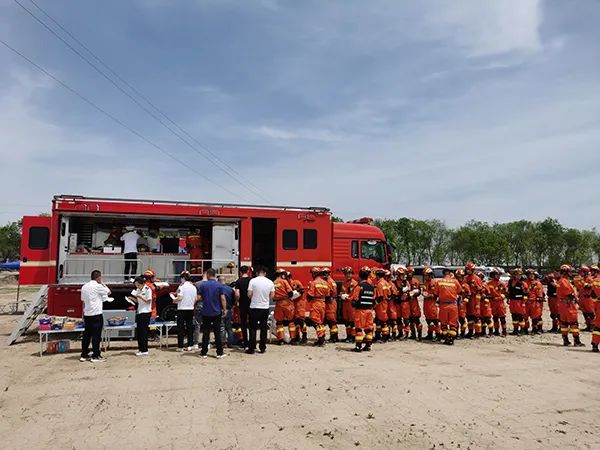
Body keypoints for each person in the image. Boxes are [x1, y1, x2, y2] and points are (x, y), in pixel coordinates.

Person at [80, 270, 113, 362]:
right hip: (96, 314)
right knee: (96, 335)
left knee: (86, 335)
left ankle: (84, 354)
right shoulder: (98, 286)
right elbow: (109, 292)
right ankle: (95, 355)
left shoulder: (84, 287)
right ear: (98, 277)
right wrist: (102, 283)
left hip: (87, 314)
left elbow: (83, 300)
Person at [197, 268, 227, 358]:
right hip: (216, 312)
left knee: (206, 333)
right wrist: (224, 309)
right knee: (217, 333)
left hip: (206, 311)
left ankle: (204, 352)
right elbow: (222, 298)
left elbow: (198, 297)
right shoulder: (219, 285)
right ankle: (219, 353)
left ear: (208, 275)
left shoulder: (203, 285)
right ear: (215, 275)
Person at [246, 266, 275, 354]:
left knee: (252, 328)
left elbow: (249, 294)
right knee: (263, 328)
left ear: (257, 273)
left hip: (254, 307)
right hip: (264, 308)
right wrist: (265, 299)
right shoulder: (270, 282)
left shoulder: (252, 281)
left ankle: (251, 348)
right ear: (265, 273)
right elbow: (272, 295)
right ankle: (262, 347)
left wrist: (254, 298)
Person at [557, 264, 584, 347]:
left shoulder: (563, 280)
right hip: (568, 305)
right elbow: (569, 294)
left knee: (564, 323)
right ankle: (576, 341)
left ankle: (565, 340)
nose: (571, 273)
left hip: (563, 304)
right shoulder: (564, 281)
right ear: (565, 272)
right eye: (569, 271)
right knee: (574, 323)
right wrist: (576, 296)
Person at [433, 268, 462, 345]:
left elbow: (435, 294)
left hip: (443, 305)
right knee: (453, 323)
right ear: (450, 274)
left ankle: (446, 338)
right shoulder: (455, 282)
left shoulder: (439, 282)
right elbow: (460, 292)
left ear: (443, 274)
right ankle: (451, 339)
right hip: (453, 305)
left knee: (444, 323)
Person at [352, 267, 376, 352]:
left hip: (360, 310)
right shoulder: (371, 287)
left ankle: (358, 346)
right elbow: (374, 299)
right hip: (369, 310)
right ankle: (368, 345)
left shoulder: (359, 286)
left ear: (360, 276)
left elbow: (355, 299)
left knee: (358, 328)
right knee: (368, 328)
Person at [172, 271, 197, 352]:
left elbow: (179, 298)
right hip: (190, 309)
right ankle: (190, 345)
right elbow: (195, 298)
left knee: (181, 328)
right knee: (190, 327)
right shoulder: (193, 287)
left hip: (182, 309)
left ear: (183, 278)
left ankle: (180, 346)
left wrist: (174, 300)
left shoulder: (181, 287)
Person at [129, 276, 153, 356]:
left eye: (137, 284)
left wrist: (140, 296)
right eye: (135, 285)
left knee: (144, 332)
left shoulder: (147, 289)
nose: (136, 286)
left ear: (141, 283)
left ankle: (145, 350)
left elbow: (148, 301)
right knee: (139, 332)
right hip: (140, 311)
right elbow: (138, 301)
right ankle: (140, 349)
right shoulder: (138, 290)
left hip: (145, 312)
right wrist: (132, 299)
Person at [306, 267, 330, 346]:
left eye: (312, 273)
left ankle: (321, 339)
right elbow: (327, 296)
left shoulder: (314, 283)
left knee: (315, 321)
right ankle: (322, 337)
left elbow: (310, 295)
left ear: (314, 273)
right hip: (323, 304)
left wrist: (308, 299)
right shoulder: (325, 283)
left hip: (316, 303)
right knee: (320, 322)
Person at [272, 268, 296, 345]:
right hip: (286, 303)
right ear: (281, 275)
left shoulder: (274, 282)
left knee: (279, 322)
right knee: (291, 321)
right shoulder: (284, 281)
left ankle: (281, 339)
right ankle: (293, 339)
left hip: (278, 304)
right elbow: (290, 293)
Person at [234, 266, 252, 347]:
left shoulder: (238, 281)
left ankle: (245, 342)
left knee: (243, 324)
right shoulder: (252, 280)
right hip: (251, 304)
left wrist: (237, 301)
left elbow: (237, 294)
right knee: (252, 324)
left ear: (240, 272)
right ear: (248, 271)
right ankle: (252, 342)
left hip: (242, 304)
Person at [464, 262, 483, 338]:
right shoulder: (465, 278)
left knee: (476, 317)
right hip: (468, 298)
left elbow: (480, 290)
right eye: (467, 269)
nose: (468, 271)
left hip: (474, 298)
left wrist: (474, 287)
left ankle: (478, 332)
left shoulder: (476, 278)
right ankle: (470, 331)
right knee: (469, 316)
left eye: (469, 269)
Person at [340, 267, 359, 342]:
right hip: (345, 304)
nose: (348, 275)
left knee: (352, 321)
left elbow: (354, 295)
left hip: (351, 304)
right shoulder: (344, 282)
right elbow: (342, 291)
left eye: (349, 273)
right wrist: (341, 295)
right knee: (346, 321)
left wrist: (347, 297)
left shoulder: (354, 283)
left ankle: (353, 336)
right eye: (347, 274)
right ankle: (348, 336)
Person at [487, 269, 508, 336]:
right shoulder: (488, 283)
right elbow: (486, 292)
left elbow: (506, 293)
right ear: (493, 275)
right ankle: (496, 331)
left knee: (502, 318)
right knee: (495, 317)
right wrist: (490, 297)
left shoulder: (502, 284)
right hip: (492, 303)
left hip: (500, 303)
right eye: (497, 275)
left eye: (499, 275)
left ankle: (504, 331)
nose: (498, 276)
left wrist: (501, 297)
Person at [288, 271, 307, 344]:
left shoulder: (296, 282)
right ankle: (297, 337)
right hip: (293, 304)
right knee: (295, 321)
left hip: (300, 304)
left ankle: (304, 337)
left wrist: (295, 295)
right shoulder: (287, 284)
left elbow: (302, 291)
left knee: (301, 320)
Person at [507, 268, 528, 335]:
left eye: (519, 275)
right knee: (514, 316)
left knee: (520, 316)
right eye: (516, 275)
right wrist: (508, 298)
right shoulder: (510, 282)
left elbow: (527, 293)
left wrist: (524, 302)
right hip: (512, 301)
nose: (518, 276)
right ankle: (515, 330)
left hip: (520, 301)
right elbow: (509, 291)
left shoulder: (523, 283)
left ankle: (522, 330)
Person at [575, 266, 595, 332]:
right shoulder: (581, 279)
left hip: (588, 298)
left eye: (582, 272)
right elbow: (577, 287)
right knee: (585, 313)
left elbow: (588, 287)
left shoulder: (589, 279)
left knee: (591, 313)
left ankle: (592, 326)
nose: (580, 273)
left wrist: (581, 282)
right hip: (582, 298)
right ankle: (588, 325)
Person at [321, 267, 339, 343]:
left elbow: (330, 293)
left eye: (324, 274)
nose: (323, 275)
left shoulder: (329, 282)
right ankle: (334, 336)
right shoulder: (331, 281)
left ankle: (334, 337)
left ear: (327, 274)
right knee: (330, 320)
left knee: (332, 320)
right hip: (331, 302)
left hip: (330, 303)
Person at [422, 267, 440, 341]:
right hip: (426, 303)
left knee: (435, 320)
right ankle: (430, 334)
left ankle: (438, 334)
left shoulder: (434, 282)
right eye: (424, 275)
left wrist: (428, 295)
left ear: (430, 275)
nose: (425, 277)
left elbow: (436, 295)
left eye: (426, 275)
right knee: (428, 319)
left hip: (432, 304)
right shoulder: (425, 283)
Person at [524, 269, 544, 334]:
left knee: (535, 317)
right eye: (530, 275)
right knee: (525, 316)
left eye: (533, 275)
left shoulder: (537, 283)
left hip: (534, 302)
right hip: (526, 302)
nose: (531, 276)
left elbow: (540, 294)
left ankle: (535, 329)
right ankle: (525, 329)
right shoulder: (524, 283)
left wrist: (539, 300)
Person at [406, 267, 423, 340]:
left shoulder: (415, 281)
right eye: (409, 272)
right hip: (407, 302)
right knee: (410, 320)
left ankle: (419, 335)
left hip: (414, 302)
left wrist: (413, 293)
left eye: (411, 272)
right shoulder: (405, 281)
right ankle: (413, 334)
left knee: (416, 319)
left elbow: (419, 291)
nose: (410, 274)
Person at [374, 268, 390, 342]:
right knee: (379, 320)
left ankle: (385, 336)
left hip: (381, 304)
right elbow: (389, 294)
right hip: (385, 302)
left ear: (378, 276)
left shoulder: (379, 284)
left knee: (382, 320)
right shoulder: (386, 283)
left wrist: (375, 304)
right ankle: (378, 335)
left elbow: (380, 296)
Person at [394, 266, 411, 339]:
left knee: (406, 318)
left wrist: (404, 291)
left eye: (403, 275)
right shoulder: (394, 282)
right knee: (398, 318)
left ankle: (406, 333)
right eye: (401, 275)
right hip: (398, 302)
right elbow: (394, 292)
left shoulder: (406, 282)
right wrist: (399, 292)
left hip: (405, 302)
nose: (402, 276)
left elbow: (408, 290)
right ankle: (400, 332)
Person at [218, 276, 235, 348]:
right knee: (229, 327)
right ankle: (230, 343)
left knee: (222, 327)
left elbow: (221, 299)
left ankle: (223, 343)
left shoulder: (218, 289)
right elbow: (234, 299)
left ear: (218, 281)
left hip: (220, 309)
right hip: (229, 309)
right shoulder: (230, 289)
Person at [454, 269, 470, 338]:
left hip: (462, 305)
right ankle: (456, 333)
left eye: (460, 277)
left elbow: (469, 294)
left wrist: (466, 299)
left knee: (462, 319)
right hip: (454, 304)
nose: (459, 278)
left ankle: (462, 333)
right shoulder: (454, 284)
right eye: (457, 277)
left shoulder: (465, 285)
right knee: (455, 320)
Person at [477, 271, 493, 337]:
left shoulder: (485, 285)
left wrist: (485, 297)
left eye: (480, 277)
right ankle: (483, 332)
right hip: (479, 303)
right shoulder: (476, 285)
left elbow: (489, 294)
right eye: (478, 277)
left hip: (485, 304)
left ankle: (491, 332)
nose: (479, 278)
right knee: (482, 319)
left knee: (487, 318)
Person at [590, 265, 600, 352]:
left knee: (597, 327)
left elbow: (593, 295)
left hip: (598, 306)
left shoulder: (595, 281)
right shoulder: (596, 280)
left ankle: (595, 344)